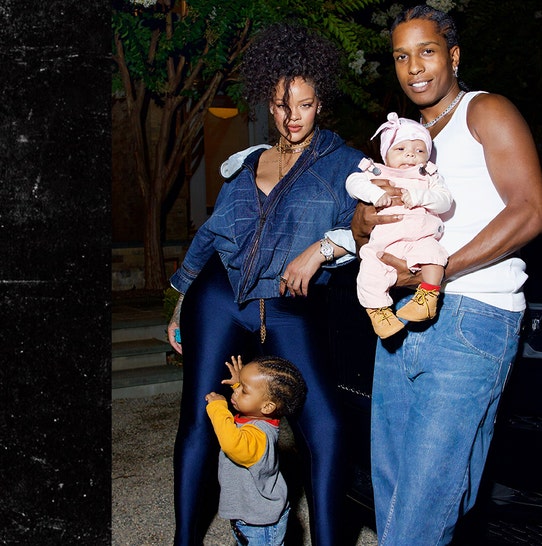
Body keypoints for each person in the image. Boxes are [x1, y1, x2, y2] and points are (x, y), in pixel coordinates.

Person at [351, 5, 542, 545]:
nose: (413, 67)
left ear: (453, 55)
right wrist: (363, 219)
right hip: (399, 321)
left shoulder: (486, 111)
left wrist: (435, 275)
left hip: (472, 316)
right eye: (400, 56)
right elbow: (369, 218)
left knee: (425, 503)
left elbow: (530, 210)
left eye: (427, 51)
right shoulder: (407, 134)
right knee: (397, 490)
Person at [166, 23, 364, 546]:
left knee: (327, 428)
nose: (291, 116)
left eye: (303, 104)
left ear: (320, 103)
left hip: (286, 308)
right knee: (197, 422)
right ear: (269, 105)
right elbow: (211, 234)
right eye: (280, 105)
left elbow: (367, 231)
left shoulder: (345, 166)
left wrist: (321, 249)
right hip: (216, 299)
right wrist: (180, 300)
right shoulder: (248, 162)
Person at [345, 112, 452, 338]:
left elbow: (445, 201)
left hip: (420, 237)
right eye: (401, 149)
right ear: (386, 154)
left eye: (419, 150)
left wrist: (421, 196)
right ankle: (378, 312)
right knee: (370, 270)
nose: (411, 155)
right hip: (385, 242)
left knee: (433, 255)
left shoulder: (428, 176)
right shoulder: (376, 171)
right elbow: (352, 182)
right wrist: (373, 193)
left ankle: (428, 297)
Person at [204, 355, 307, 546]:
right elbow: (255, 401)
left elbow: (232, 443)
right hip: (251, 516)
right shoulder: (261, 416)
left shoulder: (258, 437)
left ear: (267, 406)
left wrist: (218, 408)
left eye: (244, 390)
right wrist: (240, 385)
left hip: (260, 523)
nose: (235, 393)